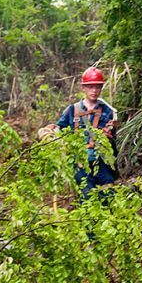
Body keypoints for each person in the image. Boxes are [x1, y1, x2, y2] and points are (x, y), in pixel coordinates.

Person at [39, 66, 117, 202]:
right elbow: (59, 128)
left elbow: (113, 141)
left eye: (97, 87)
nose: (94, 90)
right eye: (90, 87)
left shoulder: (108, 111)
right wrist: (49, 132)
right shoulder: (72, 110)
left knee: (108, 196)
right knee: (86, 198)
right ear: (83, 88)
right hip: (80, 163)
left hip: (102, 162)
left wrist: (109, 133)